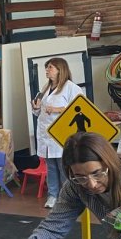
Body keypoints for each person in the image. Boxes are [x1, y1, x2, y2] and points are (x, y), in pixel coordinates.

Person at [31, 57, 84, 209]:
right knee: (51, 168)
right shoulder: (45, 88)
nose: (47, 70)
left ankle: (67, 197)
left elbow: (80, 108)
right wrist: (36, 107)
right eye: (46, 67)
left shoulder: (71, 88)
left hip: (62, 134)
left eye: (50, 67)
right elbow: (39, 113)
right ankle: (53, 195)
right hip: (46, 135)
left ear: (60, 70)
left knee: (63, 167)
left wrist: (57, 109)